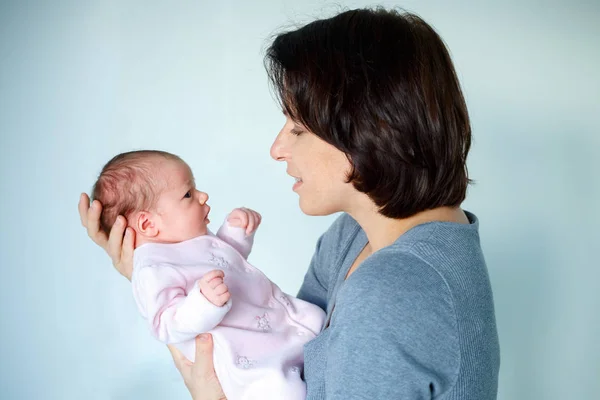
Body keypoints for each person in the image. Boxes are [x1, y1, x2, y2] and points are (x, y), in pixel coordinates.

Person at [79, 7, 500, 400]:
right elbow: (281, 345)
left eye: (297, 128)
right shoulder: (354, 235)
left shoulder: (391, 290)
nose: (277, 148)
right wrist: (155, 267)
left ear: (373, 128)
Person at [89, 150, 325, 400]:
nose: (203, 196)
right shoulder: (152, 269)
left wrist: (236, 233)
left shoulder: (191, 240)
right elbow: (165, 323)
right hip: (246, 361)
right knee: (278, 389)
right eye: (188, 194)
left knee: (315, 319)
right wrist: (203, 302)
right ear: (148, 224)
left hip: (273, 325)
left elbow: (225, 262)